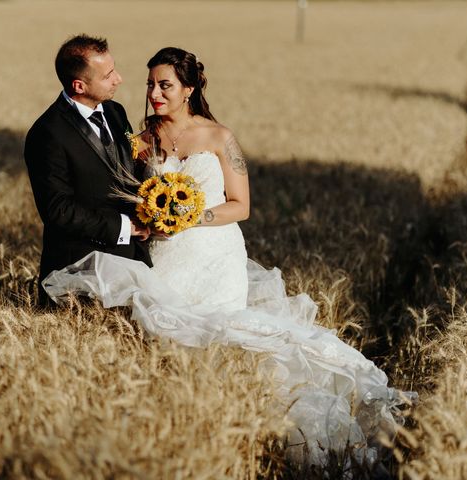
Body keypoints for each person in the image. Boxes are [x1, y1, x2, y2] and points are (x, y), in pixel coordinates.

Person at [43, 47, 415, 467]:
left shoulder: (220, 137)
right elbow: (120, 193)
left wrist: (188, 215)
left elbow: (241, 205)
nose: (153, 93)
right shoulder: (140, 140)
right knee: (169, 340)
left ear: (188, 89)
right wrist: (150, 215)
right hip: (163, 257)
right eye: (150, 84)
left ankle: (258, 432)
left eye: (164, 85)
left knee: (225, 336)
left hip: (213, 256)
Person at [24, 34, 150, 305]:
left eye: (114, 69)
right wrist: (125, 227)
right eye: (108, 75)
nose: (119, 78)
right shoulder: (47, 133)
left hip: (134, 259)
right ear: (79, 85)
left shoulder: (116, 112)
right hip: (79, 274)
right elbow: (58, 210)